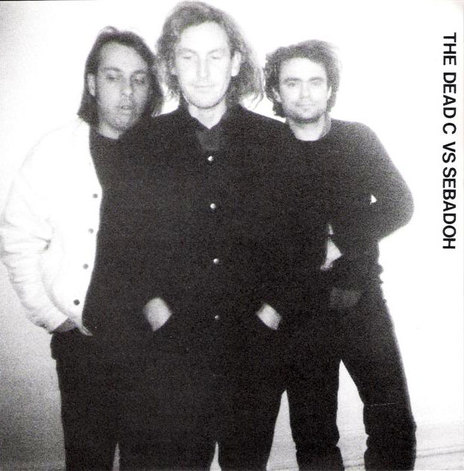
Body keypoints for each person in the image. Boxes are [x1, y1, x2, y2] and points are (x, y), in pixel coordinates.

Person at [132, 2, 287, 469]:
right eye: (188, 56)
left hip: (254, 346)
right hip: (173, 346)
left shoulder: (276, 142)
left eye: (215, 56)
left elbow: (300, 240)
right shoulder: (142, 143)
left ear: (235, 62)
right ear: (171, 65)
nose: (202, 72)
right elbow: (123, 238)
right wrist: (157, 313)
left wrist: (270, 315)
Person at [0, 27, 163, 470]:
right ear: (92, 83)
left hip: (155, 345)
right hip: (84, 345)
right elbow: (17, 238)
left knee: (149, 460)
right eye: (113, 77)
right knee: (88, 460)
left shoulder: (165, 153)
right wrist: (53, 318)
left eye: (139, 79)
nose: (127, 92)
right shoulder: (56, 151)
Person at [264, 40, 417, 470]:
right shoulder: (265, 149)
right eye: (292, 82)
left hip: (360, 298)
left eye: (315, 82)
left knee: (393, 421)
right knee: (314, 436)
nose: (304, 93)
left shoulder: (357, 138)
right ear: (275, 90)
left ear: (330, 88)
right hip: (299, 308)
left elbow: (399, 204)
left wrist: (337, 243)